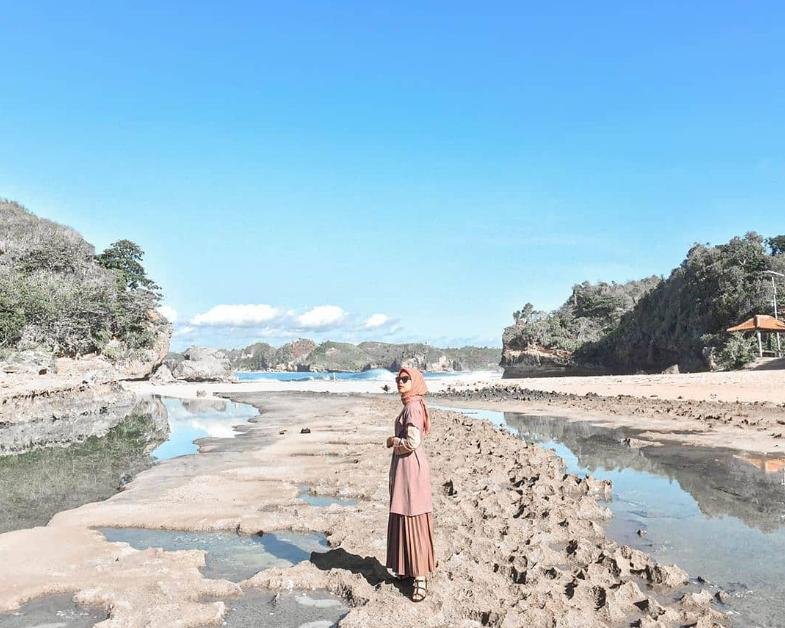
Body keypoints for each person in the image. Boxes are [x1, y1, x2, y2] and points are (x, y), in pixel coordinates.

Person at [385, 366, 436, 602]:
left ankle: (420, 579)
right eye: (398, 379)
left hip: (410, 468)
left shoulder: (413, 406)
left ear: (415, 382)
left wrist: (394, 441)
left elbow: (412, 441)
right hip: (407, 467)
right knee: (406, 514)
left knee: (412, 516)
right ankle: (407, 570)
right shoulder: (411, 404)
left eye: (406, 379)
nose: (400, 382)